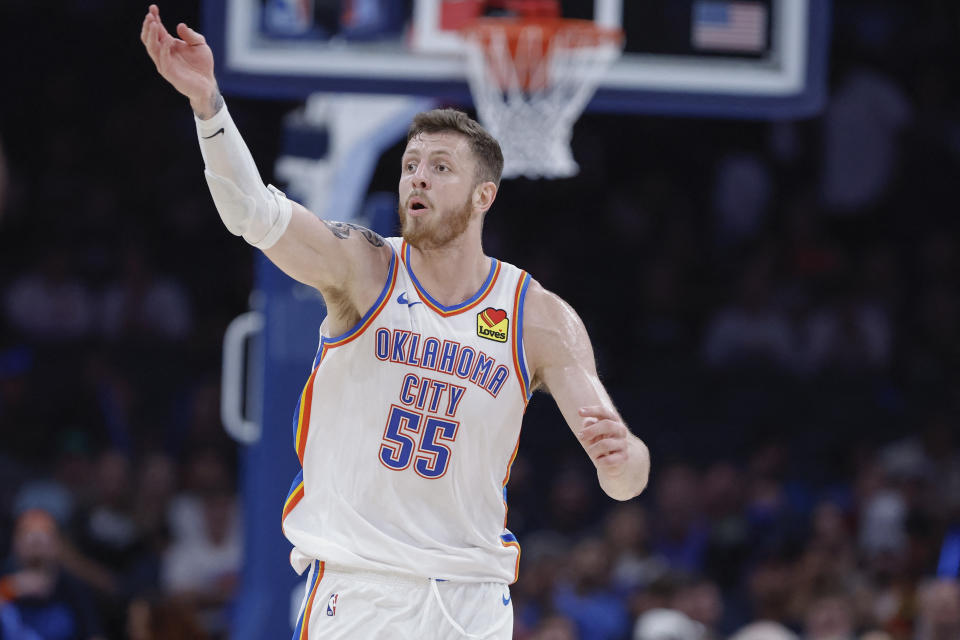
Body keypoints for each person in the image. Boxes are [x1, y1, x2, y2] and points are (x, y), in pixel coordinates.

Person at [140, 5, 650, 638]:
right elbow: (253, 212)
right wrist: (209, 105)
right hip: (361, 591)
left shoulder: (536, 315)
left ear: (483, 194)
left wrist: (622, 459)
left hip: (473, 597)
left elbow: (626, 475)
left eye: (441, 167)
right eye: (411, 164)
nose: (419, 177)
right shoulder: (366, 267)